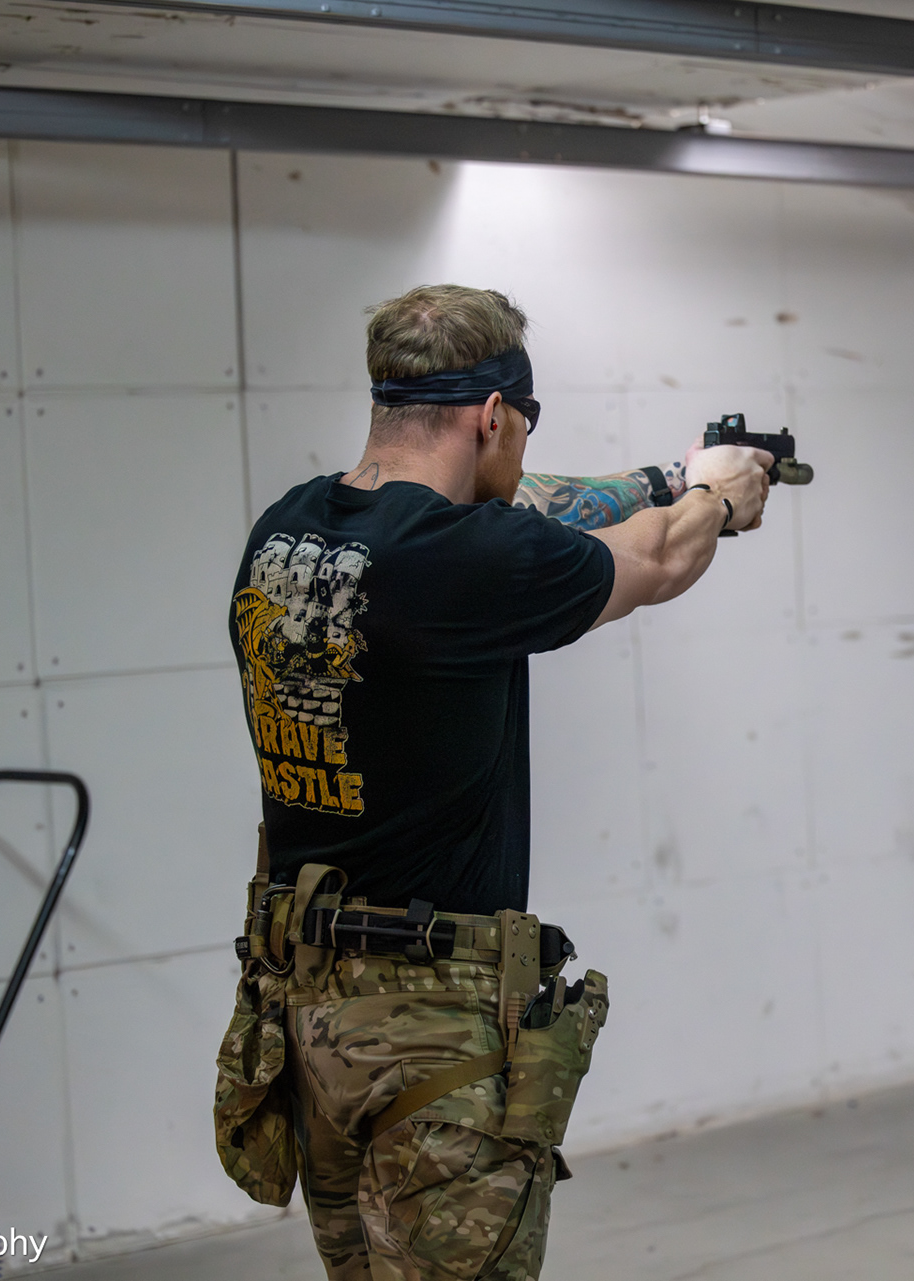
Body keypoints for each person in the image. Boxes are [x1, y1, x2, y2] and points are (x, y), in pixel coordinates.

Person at [224, 283, 772, 1280]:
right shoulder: (468, 561)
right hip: (431, 1033)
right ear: (491, 415)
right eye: (524, 422)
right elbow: (659, 557)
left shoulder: (289, 531)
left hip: (308, 1017)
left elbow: (524, 500)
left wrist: (666, 473)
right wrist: (718, 497)